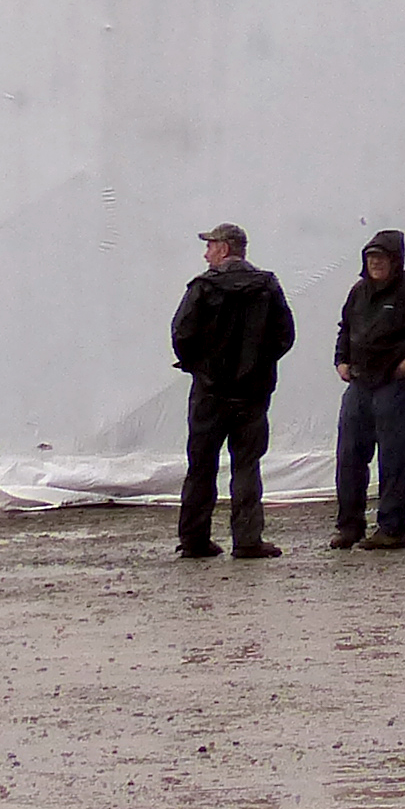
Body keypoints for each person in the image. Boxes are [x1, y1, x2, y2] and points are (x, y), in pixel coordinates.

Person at [168, 222, 295, 560]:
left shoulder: (203, 287)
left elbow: (181, 333)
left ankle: (194, 540)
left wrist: (202, 369)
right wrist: (257, 367)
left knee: (201, 466)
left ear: (224, 249)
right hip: (252, 395)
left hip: (209, 394)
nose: (206, 253)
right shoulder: (267, 287)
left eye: (210, 246)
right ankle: (248, 539)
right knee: (247, 466)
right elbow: (285, 335)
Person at [330, 227, 405, 550]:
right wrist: (340, 359)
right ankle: (349, 526)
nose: (375, 264)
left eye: (381, 258)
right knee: (349, 455)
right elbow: (345, 327)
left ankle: (393, 529)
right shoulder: (359, 292)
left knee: (394, 457)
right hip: (358, 383)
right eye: (370, 258)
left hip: (393, 384)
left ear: (395, 260)